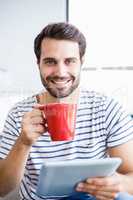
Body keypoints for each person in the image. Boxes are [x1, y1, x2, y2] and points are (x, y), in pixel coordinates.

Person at [0, 22, 133, 200]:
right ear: (38, 63)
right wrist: (23, 143)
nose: (61, 72)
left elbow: (131, 175)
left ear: (81, 62)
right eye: (50, 62)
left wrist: (120, 183)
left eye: (69, 61)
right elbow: (2, 189)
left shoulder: (107, 109)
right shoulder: (19, 114)